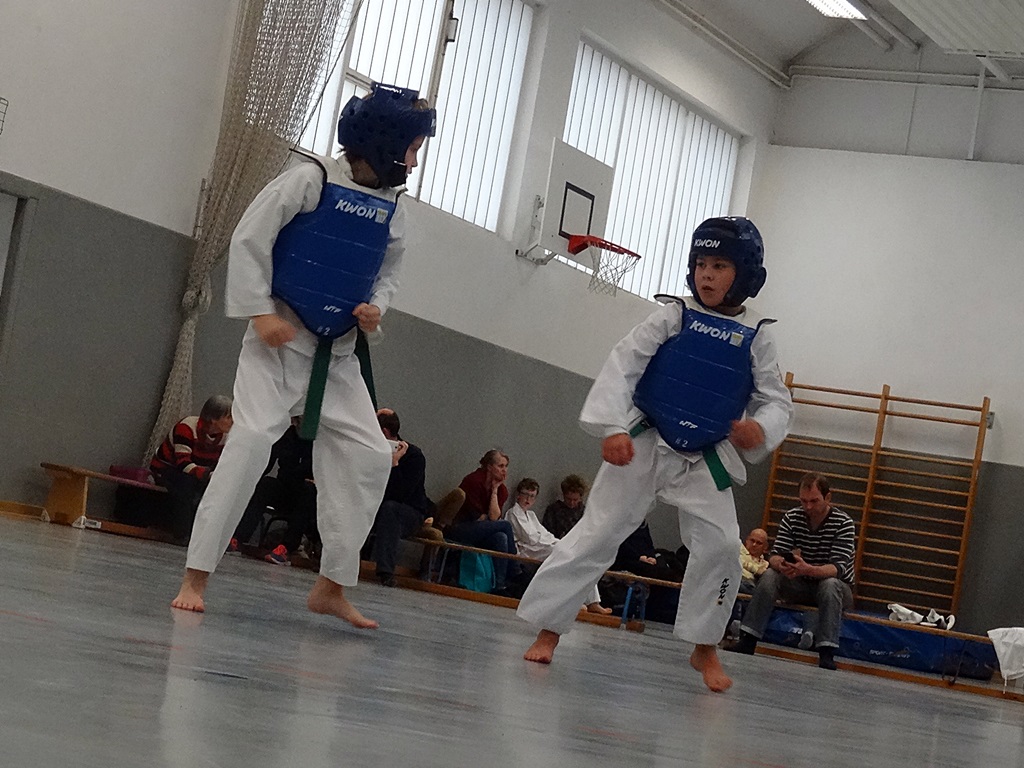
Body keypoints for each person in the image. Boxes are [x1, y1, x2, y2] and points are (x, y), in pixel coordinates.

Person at [170, 82, 436, 628]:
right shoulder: (310, 179)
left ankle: (330, 586)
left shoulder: (393, 208)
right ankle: (195, 577)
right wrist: (259, 313)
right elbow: (250, 238)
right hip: (279, 341)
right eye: (411, 148)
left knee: (371, 454)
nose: (413, 161)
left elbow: (388, 273)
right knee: (248, 444)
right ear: (384, 142)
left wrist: (376, 308)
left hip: (336, 354)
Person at [517, 217, 793, 692]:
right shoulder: (672, 315)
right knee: (599, 531)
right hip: (645, 439)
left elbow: (777, 401)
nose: (706, 275)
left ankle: (705, 646)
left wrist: (760, 428)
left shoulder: (757, 336)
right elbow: (624, 362)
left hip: (705, 455)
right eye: (701, 264)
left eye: (719, 265)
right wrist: (612, 426)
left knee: (722, 546)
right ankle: (549, 630)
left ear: (746, 274)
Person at [729, 473, 855, 671]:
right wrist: (783, 565)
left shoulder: (844, 523)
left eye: (814, 501)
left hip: (835, 588)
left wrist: (808, 569)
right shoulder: (792, 517)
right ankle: (749, 638)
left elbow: (837, 568)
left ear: (828, 497)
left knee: (830, 585)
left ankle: (827, 651)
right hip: (799, 582)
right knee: (770, 575)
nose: (808, 507)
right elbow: (774, 556)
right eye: (803, 501)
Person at [505, 478, 609, 614]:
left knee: (581, 559)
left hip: (542, 547)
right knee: (568, 556)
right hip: (528, 550)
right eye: (525, 494)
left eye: (532, 496)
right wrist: (556, 544)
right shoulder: (513, 513)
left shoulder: (531, 515)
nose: (528, 499)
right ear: (518, 495)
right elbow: (530, 538)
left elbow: (545, 534)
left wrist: (558, 542)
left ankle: (593, 602)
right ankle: (574, 602)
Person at [230, 416, 319, 565]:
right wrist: (249, 480)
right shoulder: (285, 436)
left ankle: (286, 548)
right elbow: (268, 463)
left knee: (308, 491)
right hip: (285, 487)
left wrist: (318, 480)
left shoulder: (319, 442)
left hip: (308, 492)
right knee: (265, 485)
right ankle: (238, 537)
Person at [150, 395, 233, 542]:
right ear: (213, 419)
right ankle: (183, 535)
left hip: (196, 473)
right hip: (166, 469)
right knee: (186, 484)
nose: (232, 421)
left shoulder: (226, 437)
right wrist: (208, 475)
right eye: (228, 417)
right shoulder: (186, 427)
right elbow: (183, 464)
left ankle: (215, 537)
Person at [369, 407, 432, 587]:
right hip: (377, 505)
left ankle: (386, 570)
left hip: (409, 512)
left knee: (390, 509)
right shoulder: (371, 452)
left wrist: (394, 463)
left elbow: (400, 494)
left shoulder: (413, 456)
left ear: (384, 432)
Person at [447, 450, 518, 596]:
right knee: (505, 525)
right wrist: (487, 519)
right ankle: (515, 570)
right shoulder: (473, 481)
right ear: (489, 467)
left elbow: (493, 517)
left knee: (500, 537)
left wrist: (495, 490)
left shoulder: (502, 490)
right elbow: (476, 516)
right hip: (461, 528)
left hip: (481, 531)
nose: (504, 470)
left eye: (506, 466)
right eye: (500, 466)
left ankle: (499, 585)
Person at [541, 474, 589, 540]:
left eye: (575, 500)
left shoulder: (585, 512)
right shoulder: (553, 510)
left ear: (580, 498)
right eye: (568, 499)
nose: (571, 502)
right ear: (563, 495)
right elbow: (546, 533)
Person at [739, 527, 769, 593]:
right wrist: (756, 570)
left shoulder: (765, 564)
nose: (754, 544)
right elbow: (737, 561)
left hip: (751, 586)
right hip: (736, 580)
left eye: (759, 543)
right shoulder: (738, 550)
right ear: (747, 540)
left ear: (765, 547)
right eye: (752, 540)